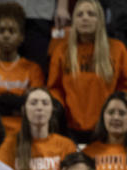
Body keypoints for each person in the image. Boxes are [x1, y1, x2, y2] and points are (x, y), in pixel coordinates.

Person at [47, 0, 127, 143]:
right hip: (70, 128)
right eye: (80, 14)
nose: (85, 18)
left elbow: (124, 85)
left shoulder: (117, 49)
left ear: (100, 20)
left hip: (107, 129)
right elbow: (54, 87)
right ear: (74, 20)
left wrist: (116, 110)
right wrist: (59, 109)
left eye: (91, 14)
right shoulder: (61, 51)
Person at [0, 87, 76, 170]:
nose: (39, 108)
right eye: (33, 103)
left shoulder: (66, 145)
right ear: (24, 109)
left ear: (52, 110)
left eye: (45, 103)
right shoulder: (10, 143)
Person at [0, 2, 46, 137]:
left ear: (21, 37)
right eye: (1, 31)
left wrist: (0, 101)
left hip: (25, 133)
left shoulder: (33, 69)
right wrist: (17, 104)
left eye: (12, 31)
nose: (6, 35)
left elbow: (34, 106)